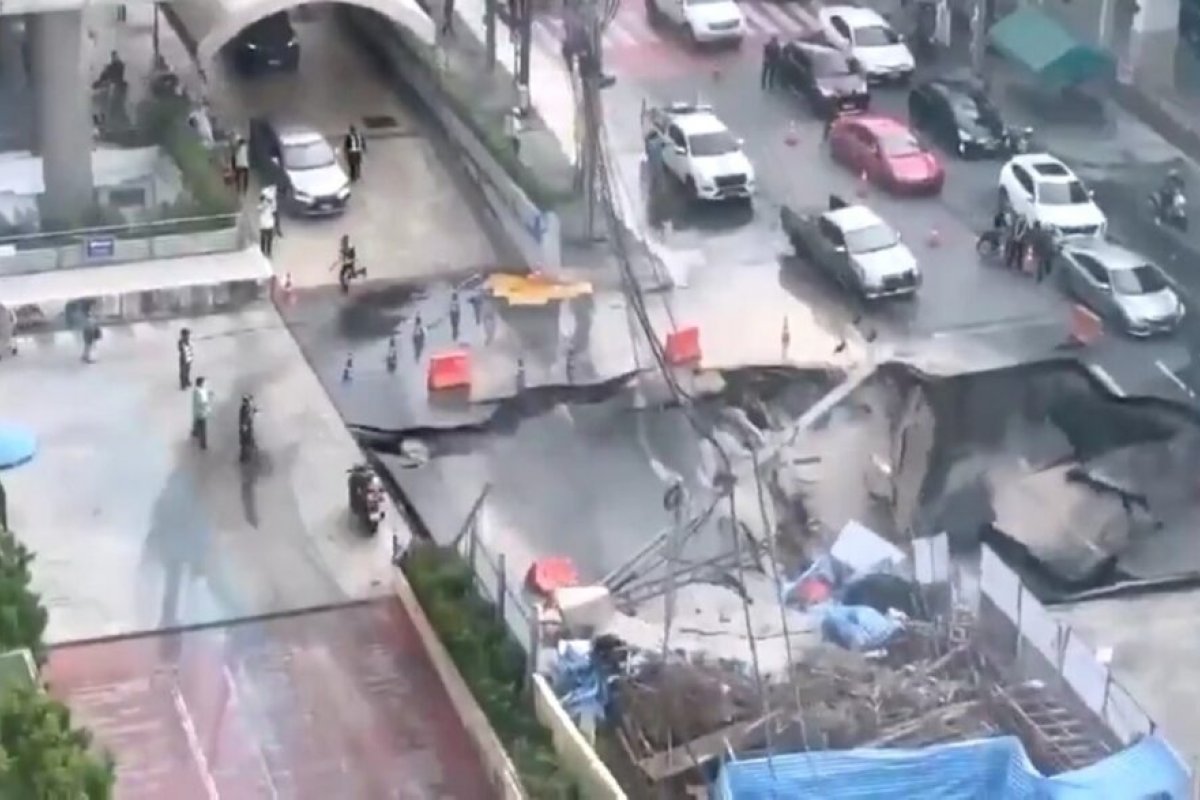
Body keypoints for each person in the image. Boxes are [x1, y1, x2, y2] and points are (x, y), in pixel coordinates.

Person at [191, 377, 211, 450]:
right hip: (201, 413)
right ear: (201, 384)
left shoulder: (197, 391)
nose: (205, 384)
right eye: (204, 382)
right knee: (203, 428)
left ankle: (195, 432)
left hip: (197, 412)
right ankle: (203, 443)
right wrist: (207, 407)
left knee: (197, 422)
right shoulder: (199, 393)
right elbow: (201, 403)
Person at [238, 394, 257, 464]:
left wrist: (256, 410)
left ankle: (247, 457)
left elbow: (253, 410)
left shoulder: (248, 407)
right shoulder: (244, 409)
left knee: (248, 442)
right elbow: (244, 419)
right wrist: (244, 427)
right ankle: (244, 458)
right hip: (245, 428)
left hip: (247, 427)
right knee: (245, 443)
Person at [257, 191, 275, 257]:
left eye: (266, 200)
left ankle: (268, 253)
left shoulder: (270, 206)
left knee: (269, 240)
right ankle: (263, 252)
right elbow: (260, 209)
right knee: (263, 240)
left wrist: (269, 202)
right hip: (264, 226)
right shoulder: (260, 207)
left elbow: (273, 210)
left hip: (269, 226)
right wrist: (266, 204)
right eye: (264, 200)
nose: (265, 202)